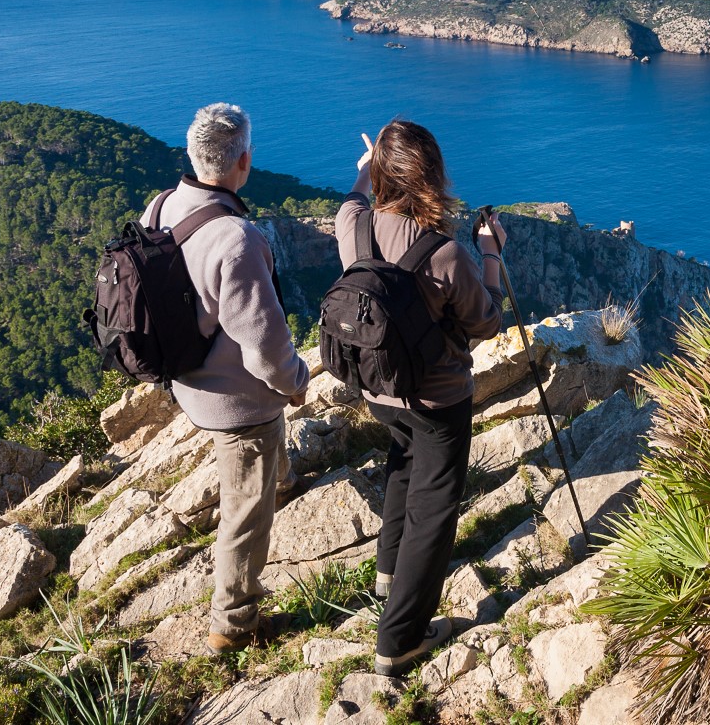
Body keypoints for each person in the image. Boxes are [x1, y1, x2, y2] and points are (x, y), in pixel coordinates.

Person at [139, 102, 310, 653]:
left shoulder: (161, 206)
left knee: (259, 470)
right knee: (242, 511)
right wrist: (297, 381)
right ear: (244, 163)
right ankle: (232, 625)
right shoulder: (236, 239)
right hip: (236, 406)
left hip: (184, 379)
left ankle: (279, 479)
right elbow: (264, 344)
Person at [339, 120, 506, 677]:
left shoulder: (351, 226)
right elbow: (486, 323)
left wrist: (367, 173)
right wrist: (491, 256)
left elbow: (355, 199)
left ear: (383, 175)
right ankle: (400, 640)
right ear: (433, 175)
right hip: (438, 402)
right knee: (433, 513)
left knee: (402, 469)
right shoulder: (445, 255)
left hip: (377, 387)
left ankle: (388, 575)